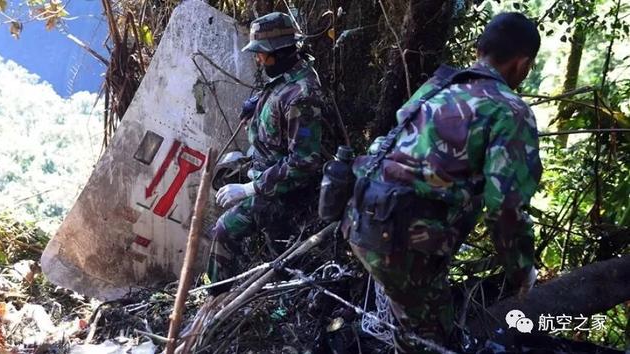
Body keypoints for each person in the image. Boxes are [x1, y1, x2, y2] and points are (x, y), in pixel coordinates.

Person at [344, 12, 542, 352]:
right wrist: (522, 269)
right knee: (433, 342)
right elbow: (504, 207)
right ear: (522, 64)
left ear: (481, 48)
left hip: (361, 220)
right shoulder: (510, 110)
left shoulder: (438, 85)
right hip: (403, 246)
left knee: (413, 320)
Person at [206, 12, 336, 296]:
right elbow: (280, 93)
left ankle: (215, 299)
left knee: (222, 232)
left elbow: (303, 163)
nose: (258, 59)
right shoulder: (288, 76)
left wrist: (249, 189)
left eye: (262, 54)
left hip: (280, 193)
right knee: (281, 255)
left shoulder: (302, 96)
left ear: (279, 53)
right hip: (264, 173)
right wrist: (259, 102)